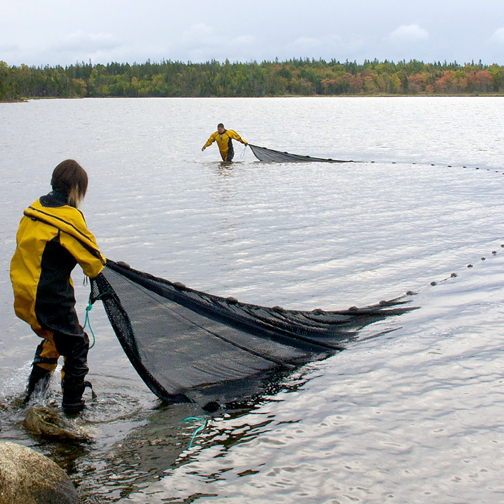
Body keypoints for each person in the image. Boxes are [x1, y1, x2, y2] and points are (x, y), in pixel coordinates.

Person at [10, 160, 106, 414]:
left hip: (24, 294)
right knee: (77, 346)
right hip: (49, 298)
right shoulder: (68, 217)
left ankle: (32, 401)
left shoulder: (34, 208)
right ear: (76, 189)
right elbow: (93, 263)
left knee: (54, 340)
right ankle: (73, 411)